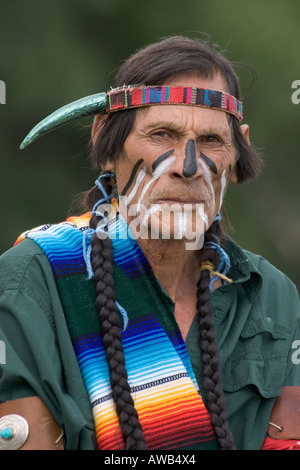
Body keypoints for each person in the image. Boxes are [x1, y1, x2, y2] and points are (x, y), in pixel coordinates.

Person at [0, 35, 299, 451]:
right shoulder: (32, 281)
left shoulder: (271, 296)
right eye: (162, 134)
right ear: (106, 140)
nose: (187, 167)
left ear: (237, 152)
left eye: (211, 141)